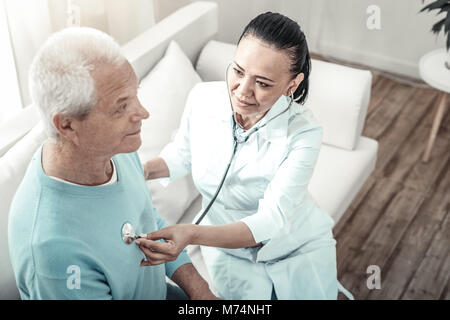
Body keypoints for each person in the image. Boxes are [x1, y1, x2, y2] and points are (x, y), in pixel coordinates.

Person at [137, 12, 354, 300]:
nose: (242, 91)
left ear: (293, 83)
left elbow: (271, 220)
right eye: (238, 71)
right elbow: (181, 155)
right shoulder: (202, 98)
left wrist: (191, 234)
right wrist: (142, 169)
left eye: (263, 83)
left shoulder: (304, 132)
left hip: (296, 249)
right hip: (230, 254)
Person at [8, 27, 217, 300]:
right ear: (68, 125)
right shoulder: (53, 251)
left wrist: (201, 292)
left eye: (135, 94)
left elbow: (146, 216)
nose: (143, 113)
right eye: (121, 107)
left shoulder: (113, 148)